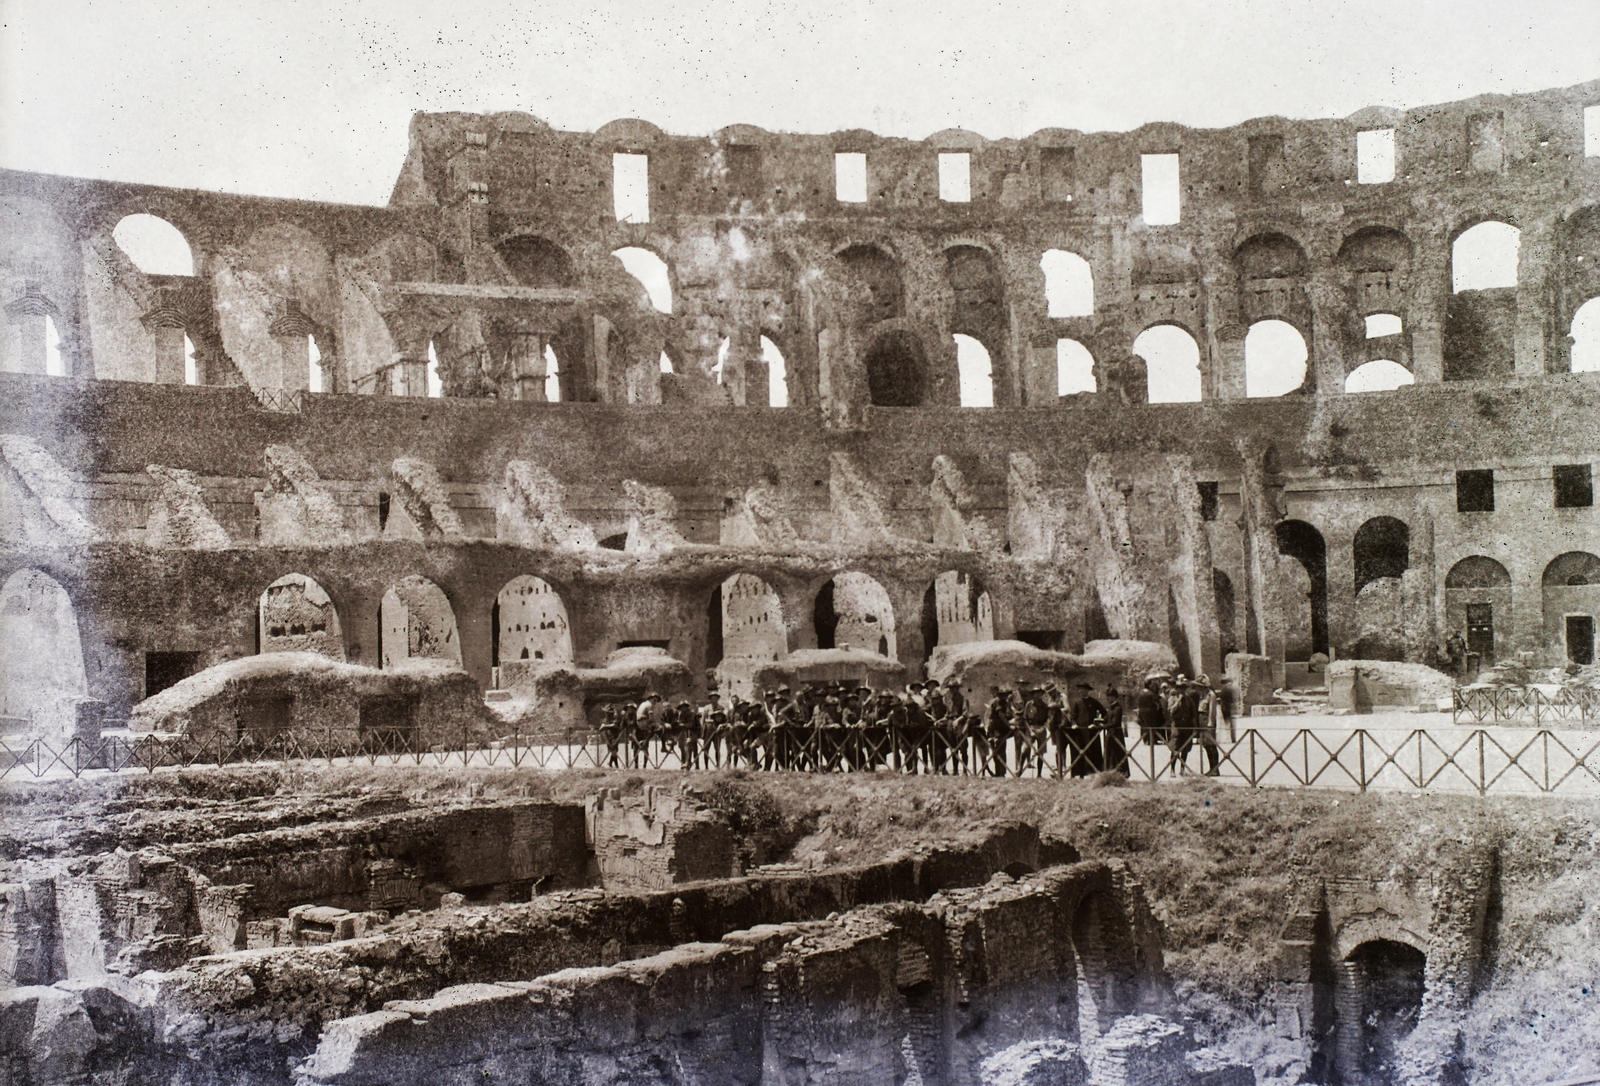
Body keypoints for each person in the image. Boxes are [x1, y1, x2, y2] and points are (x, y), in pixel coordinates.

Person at [1103, 685, 1128, 777]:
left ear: (1114, 697)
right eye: (1107, 696)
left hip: (1116, 734)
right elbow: (1106, 718)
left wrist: (1103, 726)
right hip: (1110, 734)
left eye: (1109, 696)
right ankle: (1110, 771)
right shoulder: (1110, 707)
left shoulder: (1118, 708)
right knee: (1110, 753)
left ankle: (1120, 773)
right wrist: (1099, 721)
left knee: (1117, 754)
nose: (1107, 698)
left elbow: (1115, 722)